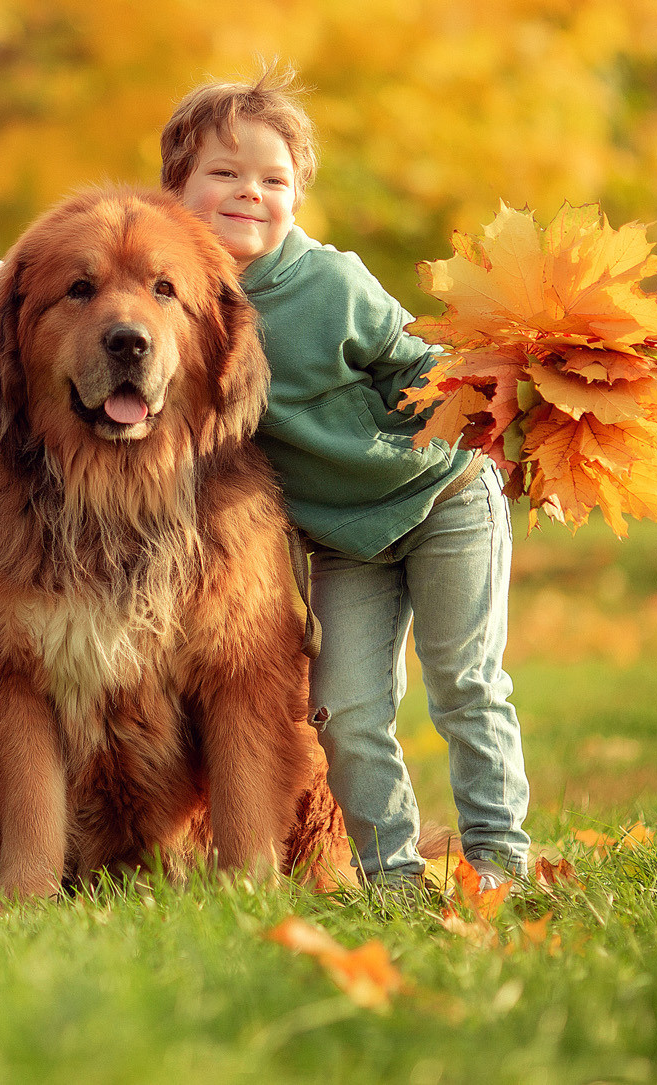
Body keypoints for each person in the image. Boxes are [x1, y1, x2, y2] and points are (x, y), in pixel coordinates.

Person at [161, 66, 530, 893]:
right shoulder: (175, 302)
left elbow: (420, 365)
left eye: (274, 179)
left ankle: (500, 860)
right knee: (348, 711)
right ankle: (391, 873)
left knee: (466, 681)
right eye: (224, 173)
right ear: (175, 187)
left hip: (440, 496)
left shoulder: (332, 282)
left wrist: (489, 407)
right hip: (347, 539)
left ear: (298, 194)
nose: (250, 192)